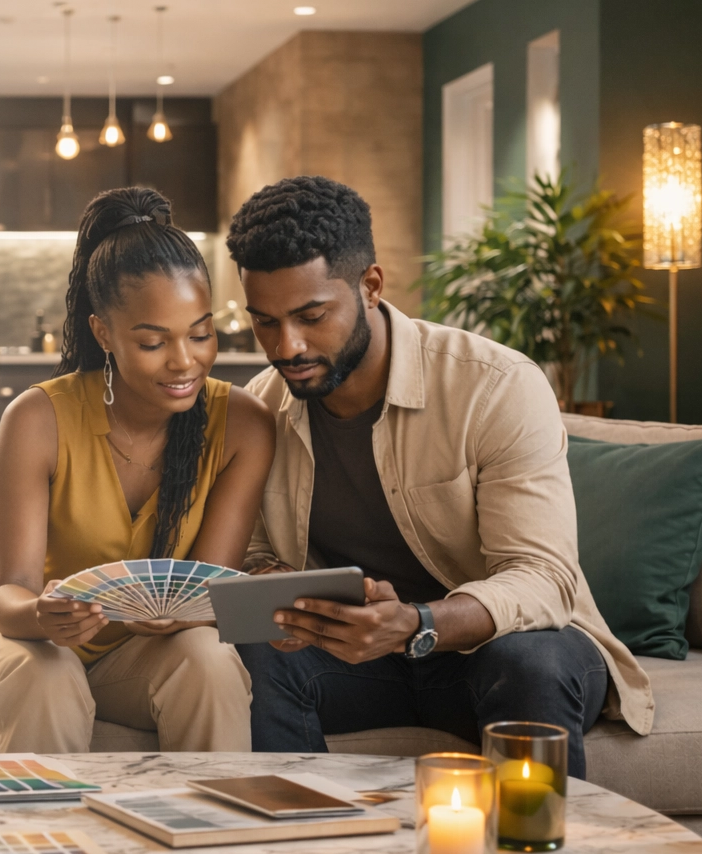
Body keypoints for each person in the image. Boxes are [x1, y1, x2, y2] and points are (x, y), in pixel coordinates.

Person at [225, 175, 651, 777]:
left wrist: (416, 624)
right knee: (251, 656)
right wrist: (294, 604)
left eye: (311, 316)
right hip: (356, 658)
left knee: (532, 662)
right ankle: (302, 844)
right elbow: (256, 554)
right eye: (264, 322)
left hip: (496, 648)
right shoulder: (262, 406)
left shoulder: (495, 385)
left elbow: (542, 577)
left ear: (370, 285)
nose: (286, 345)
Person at [0, 186, 275, 753]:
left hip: (123, 652)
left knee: (209, 660)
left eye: (201, 334)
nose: (185, 361)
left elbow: (209, 594)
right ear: (104, 333)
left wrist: (185, 616)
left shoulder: (244, 425)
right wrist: (44, 615)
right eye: (154, 341)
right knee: (49, 675)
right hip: (2, 632)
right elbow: (10, 597)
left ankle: (209, 834)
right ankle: (45, 839)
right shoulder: (39, 417)